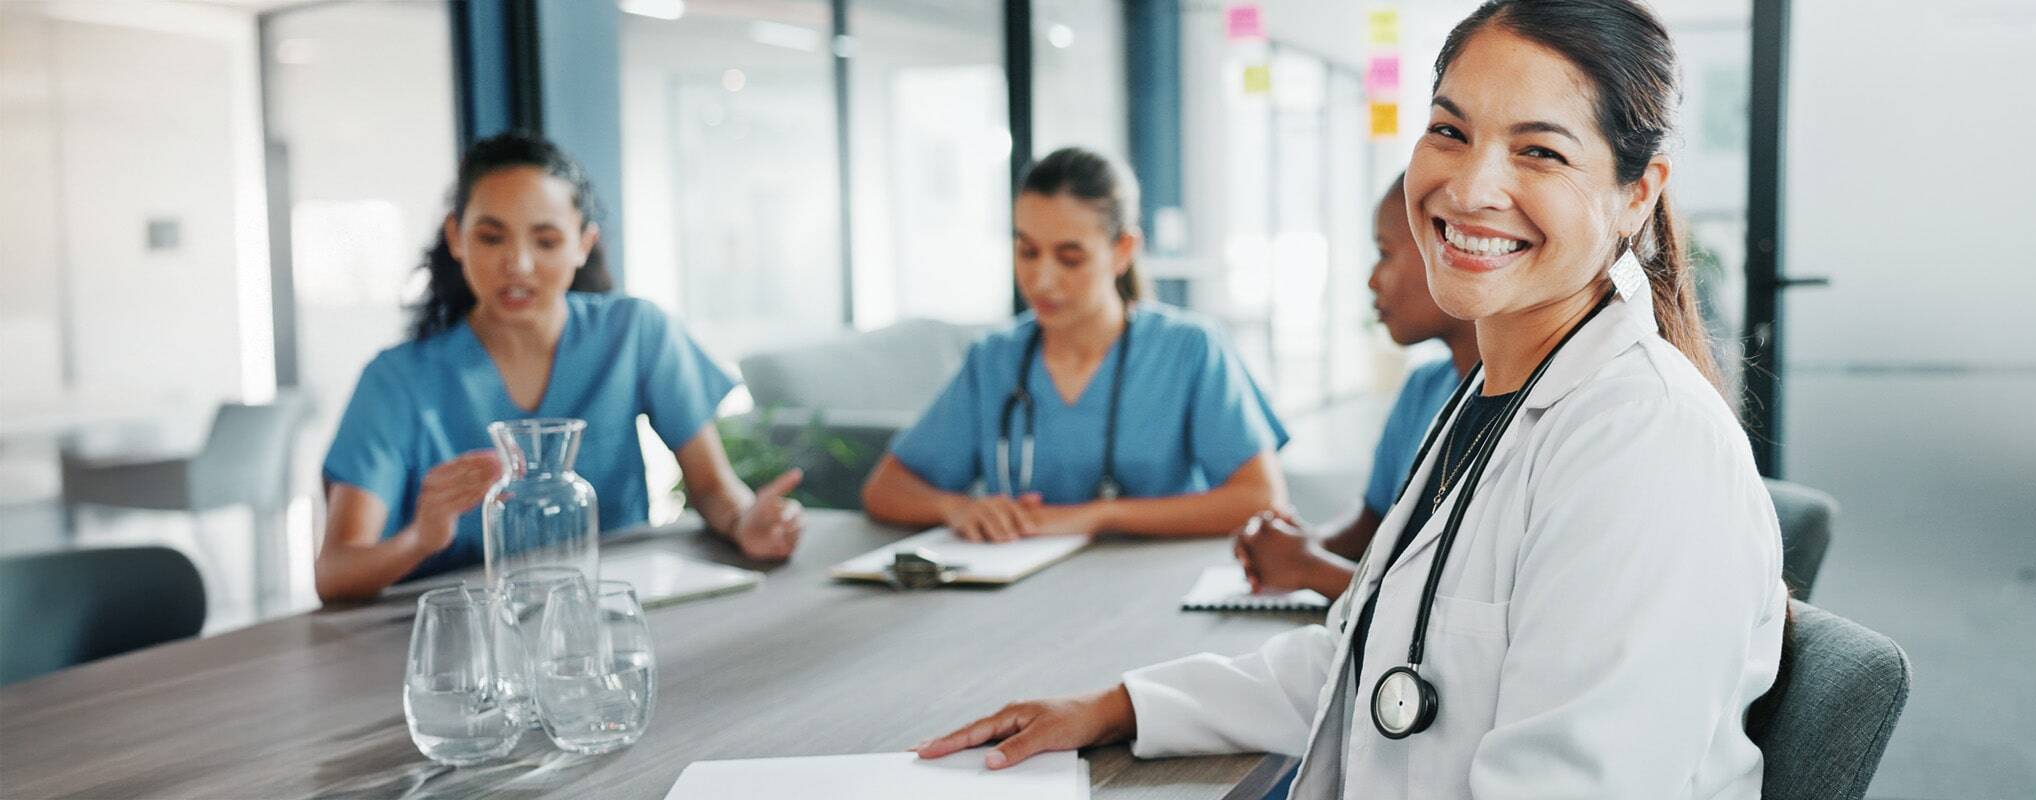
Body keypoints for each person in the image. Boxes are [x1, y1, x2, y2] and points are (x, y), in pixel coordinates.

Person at [915, 3, 1788, 796]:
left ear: (1639, 193)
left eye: (1539, 151)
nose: (1473, 186)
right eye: (1450, 131)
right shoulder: (1495, 399)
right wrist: (1119, 707)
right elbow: (1375, 660)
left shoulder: (1645, 448)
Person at [315, 132, 805, 601]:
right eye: (491, 237)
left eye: (546, 241)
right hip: (469, 641)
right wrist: (421, 537)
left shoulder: (635, 333)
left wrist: (747, 523)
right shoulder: (396, 380)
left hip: (606, 615)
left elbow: (714, 489)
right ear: (456, 238)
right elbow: (336, 573)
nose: (519, 264)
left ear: (582, 244)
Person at [862, 147, 1290, 542]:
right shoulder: (994, 358)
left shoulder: (1189, 349)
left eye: (1070, 258)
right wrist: (955, 507)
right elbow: (886, 488)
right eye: (1027, 252)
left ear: (1123, 250)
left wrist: (1100, 515)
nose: (1042, 280)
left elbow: (1261, 498)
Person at [1233, 173, 1478, 601]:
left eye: (1384, 254)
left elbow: (1440, 613)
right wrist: (1300, 544)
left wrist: (1310, 569)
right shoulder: (1425, 386)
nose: (1372, 280)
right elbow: (1372, 526)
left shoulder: (1511, 407)